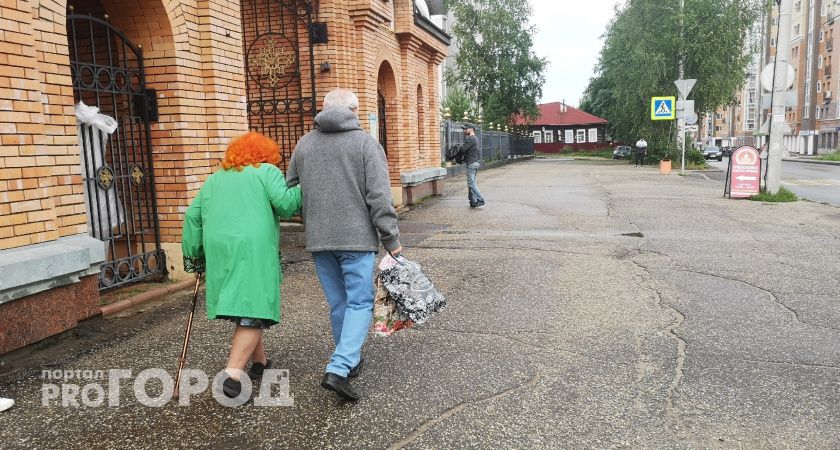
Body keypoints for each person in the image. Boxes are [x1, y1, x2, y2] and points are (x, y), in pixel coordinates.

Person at [286, 88, 402, 402]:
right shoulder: (366, 143)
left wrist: (311, 214)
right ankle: (339, 367)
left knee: (340, 304)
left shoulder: (305, 143)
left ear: (323, 110)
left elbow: (291, 190)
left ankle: (348, 361)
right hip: (357, 239)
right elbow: (379, 197)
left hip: (319, 239)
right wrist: (391, 240)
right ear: (353, 109)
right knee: (360, 303)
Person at [182, 132, 302, 400]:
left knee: (247, 302)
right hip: (251, 247)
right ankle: (232, 375)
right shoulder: (266, 172)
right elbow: (286, 205)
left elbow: (192, 216)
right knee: (253, 307)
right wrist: (303, 187)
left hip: (219, 248)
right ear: (266, 154)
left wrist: (196, 254)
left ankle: (260, 362)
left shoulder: (215, 179)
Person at [461, 123, 485, 207]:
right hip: (475, 162)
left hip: (471, 163)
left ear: (471, 129)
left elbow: (463, 149)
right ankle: (473, 200)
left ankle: (480, 200)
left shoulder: (471, 138)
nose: (464, 130)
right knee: (473, 182)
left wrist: (454, 153)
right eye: (464, 129)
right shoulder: (475, 138)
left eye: (466, 129)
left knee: (471, 184)